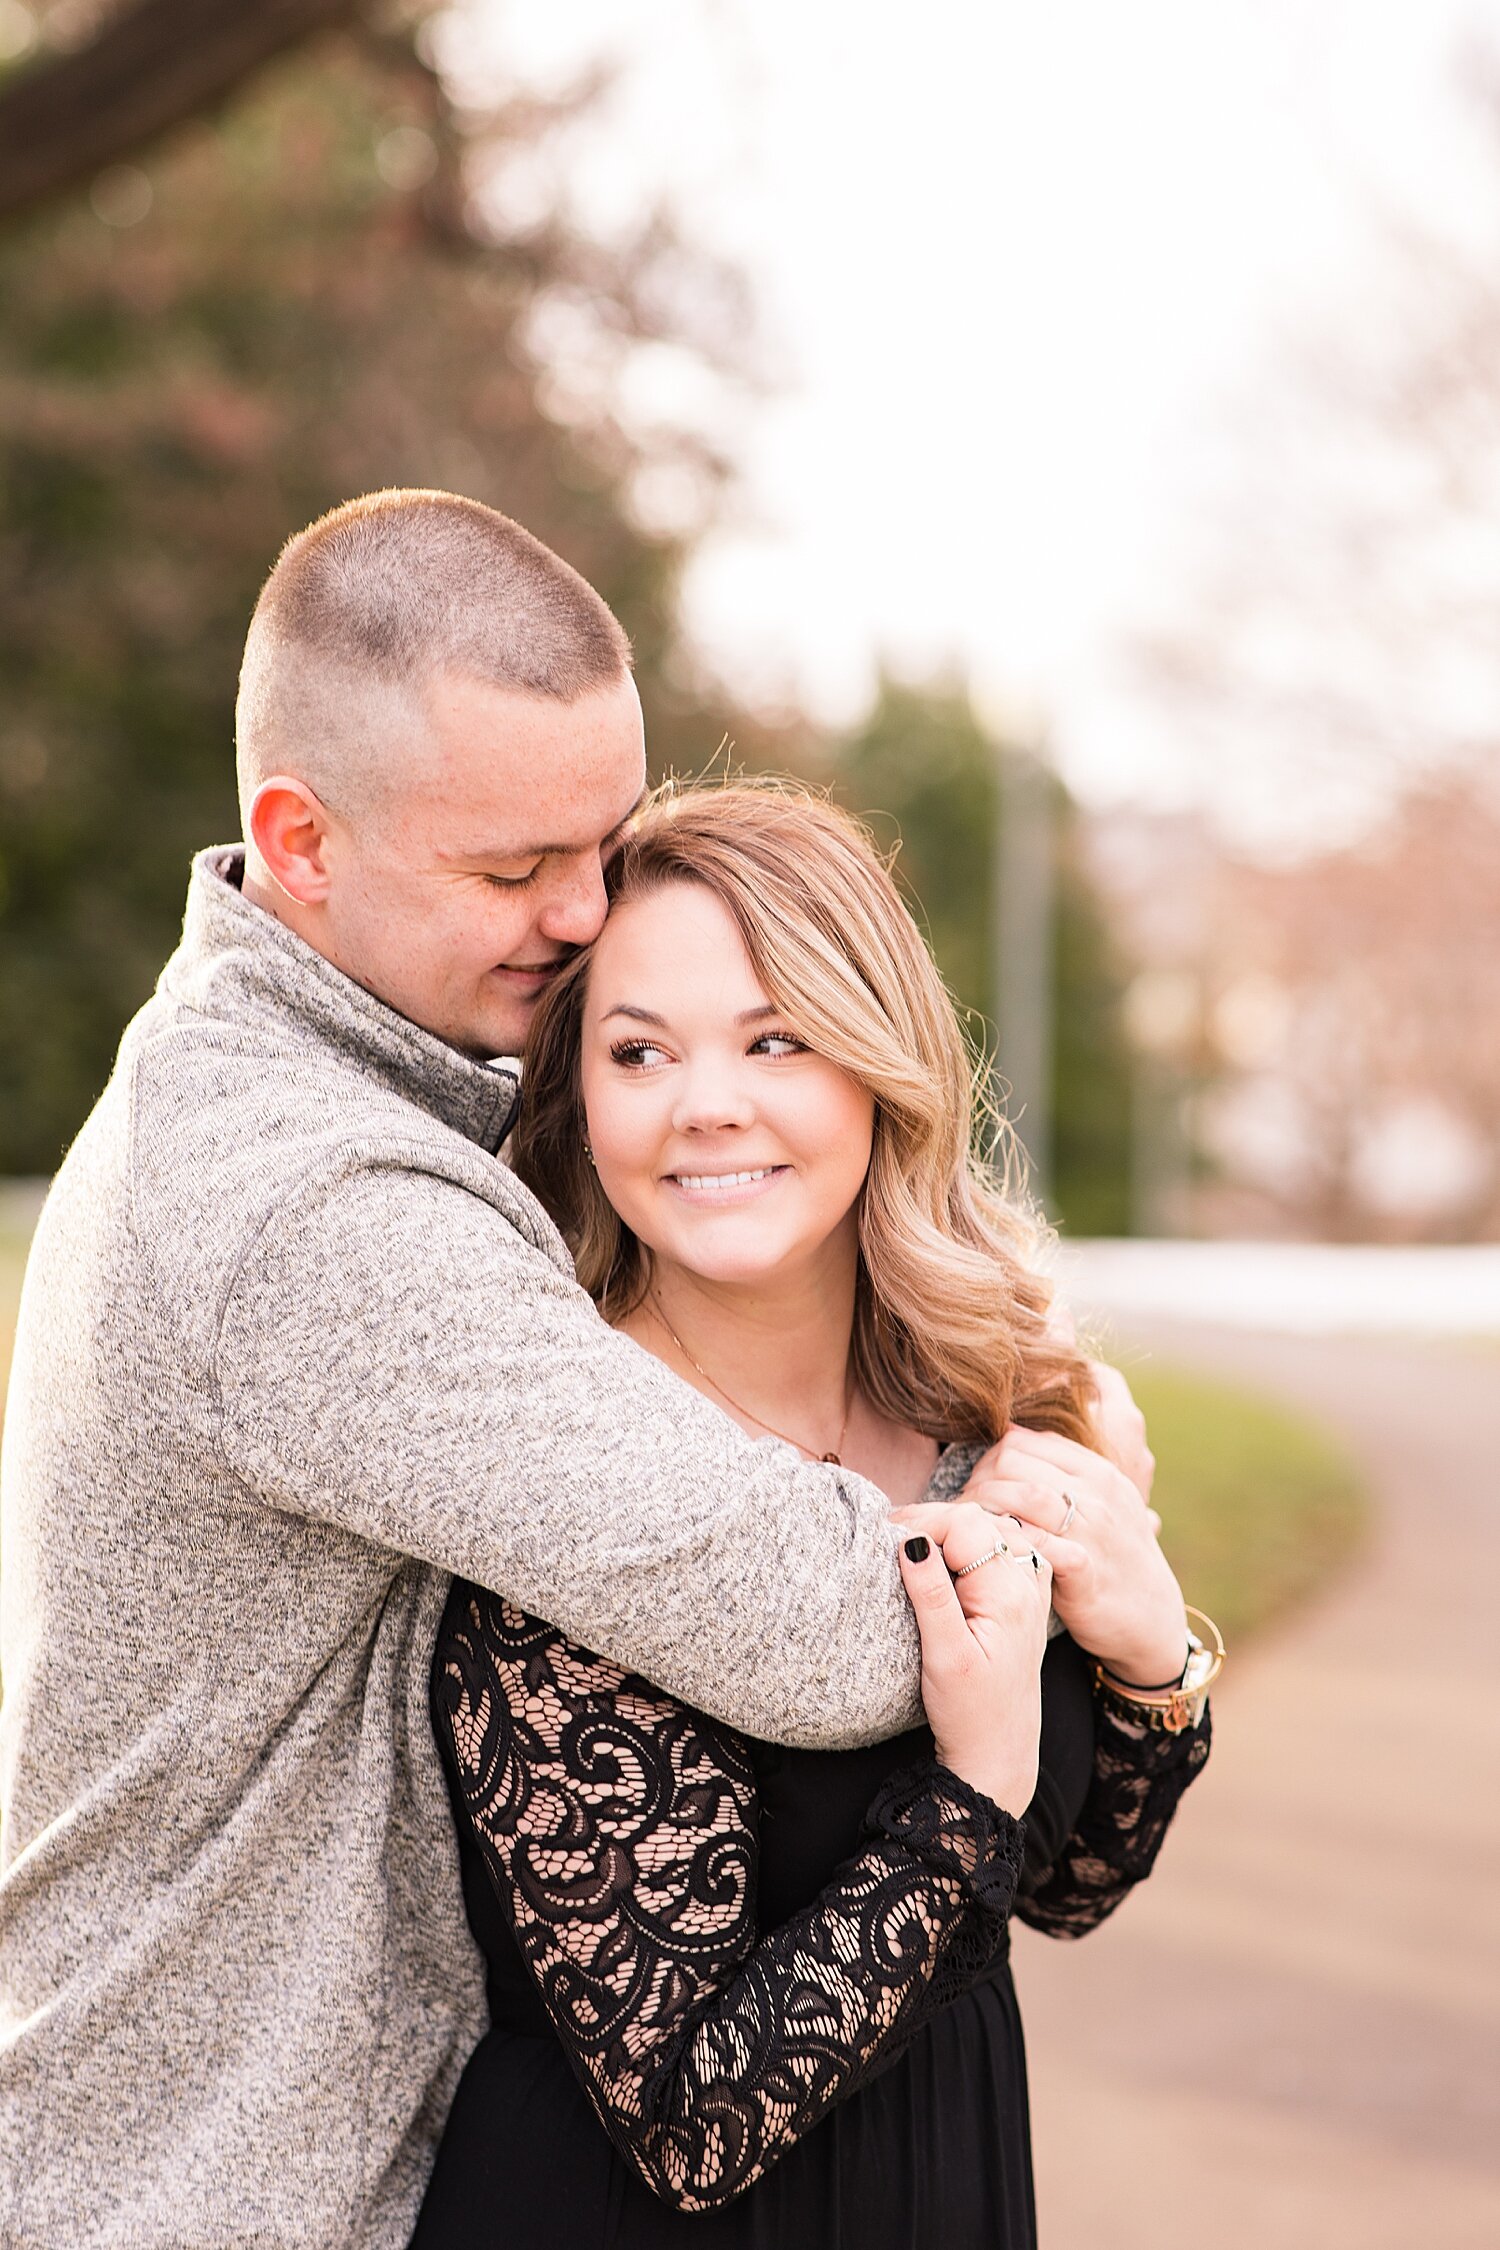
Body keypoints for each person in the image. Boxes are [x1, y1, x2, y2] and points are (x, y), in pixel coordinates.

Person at [1, 491, 1075, 2249]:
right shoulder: (308, 1205)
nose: (590, 916)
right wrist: (1052, 1542)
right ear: (301, 838)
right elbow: (794, 1618)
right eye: (514, 870)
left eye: (607, 841)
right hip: (226, 2195)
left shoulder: (380, 1078)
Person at [416, 785, 1216, 2250]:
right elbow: (690, 2117)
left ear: (876, 1057)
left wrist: (1153, 1653)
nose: (705, 1101)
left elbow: (1074, 1886)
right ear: (580, 1094)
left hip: (949, 2183)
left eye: (773, 1036)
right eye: (640, 1048)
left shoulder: (990, 1408)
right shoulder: (562, 1469)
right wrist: (965, 1792)